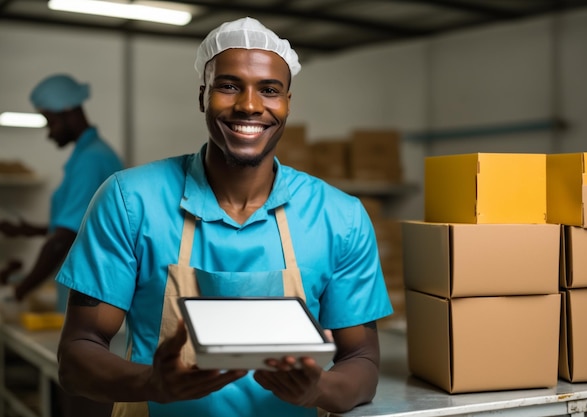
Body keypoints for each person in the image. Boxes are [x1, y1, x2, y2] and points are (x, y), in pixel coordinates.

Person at [55, 16, 393, 417]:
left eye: (269, 90)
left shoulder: (340, 217)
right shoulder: (130, 201)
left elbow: (363, 363)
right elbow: (77, 353)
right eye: (229, 85)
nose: (250, 105)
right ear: (203, 96)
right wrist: (150, 383)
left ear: (287, 103)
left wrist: (318, 388)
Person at [0, 74, 124, 312]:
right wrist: (30, 230)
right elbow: (84, 227)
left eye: (50, 122)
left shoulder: (91, 159)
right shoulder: (88, 156)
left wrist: (17, 293)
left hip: (93, 296)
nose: (49, 133)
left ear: (68, 112)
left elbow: (64, 239)